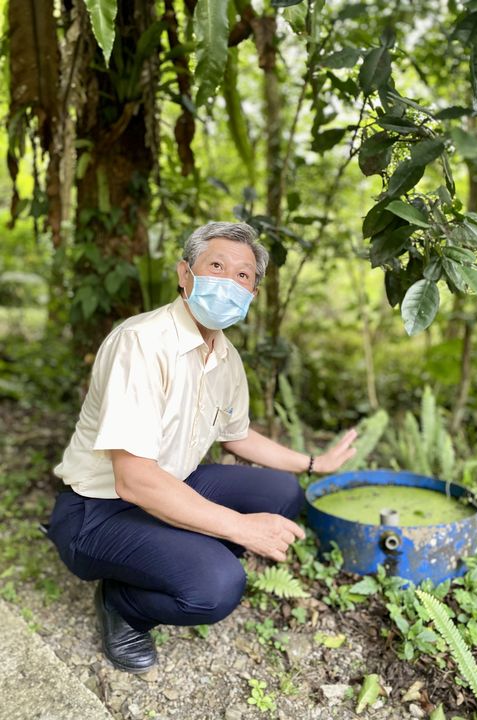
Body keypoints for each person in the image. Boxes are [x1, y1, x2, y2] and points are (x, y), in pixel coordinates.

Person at [47, 221, 357, 674]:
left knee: (282, 493)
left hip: (173, 483)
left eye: (244, 275)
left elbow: (237, 437)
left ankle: (175, 547)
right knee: (217, 586)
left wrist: (314, 463)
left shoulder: (226, 358)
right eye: (216, 265)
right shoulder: (143, 342)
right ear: (184, 274)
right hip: (98, 509)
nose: (229, 281)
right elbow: (133, 479)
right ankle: (123, 604)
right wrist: (240, 528)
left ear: (252, 293)